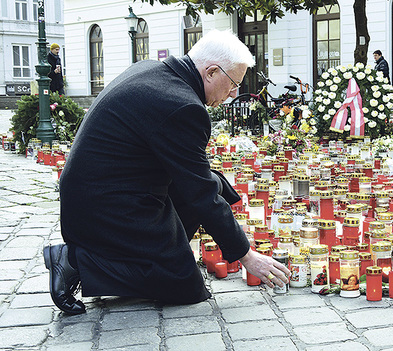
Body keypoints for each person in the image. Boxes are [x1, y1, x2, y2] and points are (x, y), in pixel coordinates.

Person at [42, 29, 290, 315]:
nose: (234, 94)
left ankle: (164, 253)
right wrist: (246, 255)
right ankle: (75, 261)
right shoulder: (181, 105)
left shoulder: (154, 71)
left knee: (214, 182)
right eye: (234, 83)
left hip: (101, 192)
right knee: (184, 285)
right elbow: (199, 193)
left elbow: (193, 178)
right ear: (210, 72)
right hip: (104, 210)